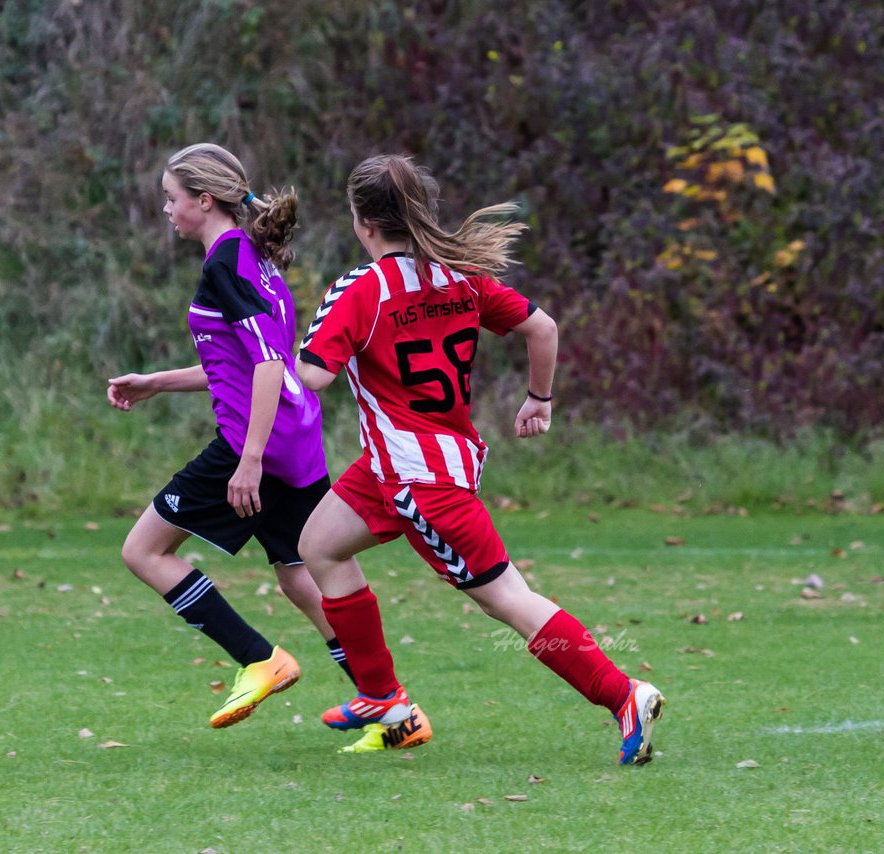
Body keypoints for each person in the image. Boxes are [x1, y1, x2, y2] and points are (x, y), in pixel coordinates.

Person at [295, 153, 665, 764]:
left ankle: (623, 693)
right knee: (319, 546)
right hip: (397, 467)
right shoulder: (459, 277)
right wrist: (538, 401)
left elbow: (312, 377)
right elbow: (542, 329)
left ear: (363, 222)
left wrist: (282, 352)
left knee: (508, 599)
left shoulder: (362, 289)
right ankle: (382, 697)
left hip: (419, 480)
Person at [108, 143, 378, 732]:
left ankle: (262, 660)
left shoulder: (224, 263)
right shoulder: (253, 256)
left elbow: (266, 367)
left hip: (257, 443)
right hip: (296, 440)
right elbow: (243, 361)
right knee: (300, 577)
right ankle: (388, 701)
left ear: (204, 201)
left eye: (171, 199)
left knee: (144, 551)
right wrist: (157, 382)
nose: (167, 211)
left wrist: (248, 460)